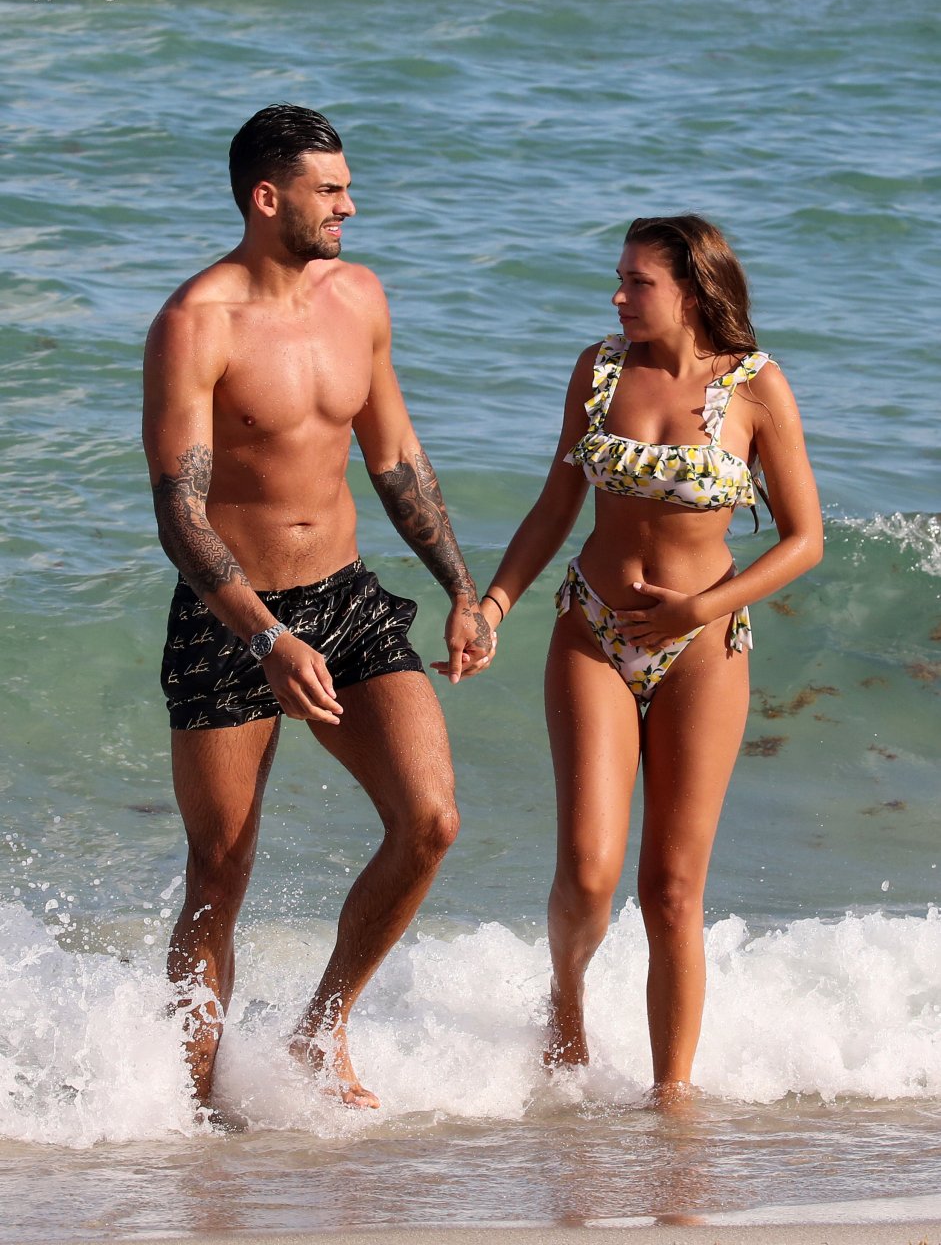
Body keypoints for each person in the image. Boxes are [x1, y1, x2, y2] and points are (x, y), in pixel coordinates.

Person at [142, 103, 493, 1113]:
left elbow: (395, 457)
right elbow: (179, 512)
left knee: (429, 820)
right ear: (267, 197)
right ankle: (195, 1111)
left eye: (346, 187)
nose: (349, 205)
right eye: (329, 190)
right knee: (220, 869)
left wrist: (459, 588)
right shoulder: (195, 323)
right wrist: (264, 633)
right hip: (230, 615)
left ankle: (320, 1029)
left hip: (344, 597)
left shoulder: (359, 296)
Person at [471, 214, 822, 1099]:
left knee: (670, 889)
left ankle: (672, 1100)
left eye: (638, 282)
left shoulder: (754, 386)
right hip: (592, 630)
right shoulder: (597, 371)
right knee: (589, 873)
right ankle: (566, 1004)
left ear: (693, 291)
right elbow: (555, 505)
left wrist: (699, 608)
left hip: (703, 644)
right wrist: (493, 604)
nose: (619, 297)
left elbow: (803, 538)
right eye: (620, 278)